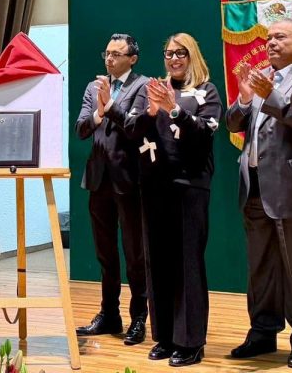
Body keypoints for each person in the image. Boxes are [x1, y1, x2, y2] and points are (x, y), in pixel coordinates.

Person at [225, 19, 292, 369]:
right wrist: (244, 98)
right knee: (260, 267)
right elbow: (233, 123)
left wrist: (270, 95)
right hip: (253, 186)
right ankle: (263, 331)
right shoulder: (261, 76)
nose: (270, 43)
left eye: (280, 37)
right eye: (268, 38)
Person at [126, 32, 222, 367]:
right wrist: (152, 111)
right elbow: (131, 130)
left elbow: (205, 133)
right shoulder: (150, 89)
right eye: (169, 53)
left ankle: (190, 341)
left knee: (187, 264)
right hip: (154, 186)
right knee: (158, 263)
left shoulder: (206, 91)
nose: (174, 59)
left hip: (189, 186)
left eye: (181, 53)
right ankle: (166, 336)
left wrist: (175, 109)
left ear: (192, 56)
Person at [74, 33, 149, 345]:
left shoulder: (143, 86)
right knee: (105, 254)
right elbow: (81, 128)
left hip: (128, 180)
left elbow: (136, 128)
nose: (109, 59)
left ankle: (139, 317)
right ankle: (109, 314)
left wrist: (111, 104)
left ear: (132, 58)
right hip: (98, 179)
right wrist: (98, 111)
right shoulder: (94, 87)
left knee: (135, 254)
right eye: (107, 53)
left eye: (116, 54)